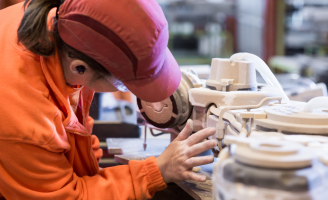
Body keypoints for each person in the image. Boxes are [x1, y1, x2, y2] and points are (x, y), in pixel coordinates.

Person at [0, 0, 217, 199]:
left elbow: (72, 124)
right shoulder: (25, 122)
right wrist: (157, 171)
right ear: (80, 68)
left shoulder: (62, 29)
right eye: (123, 84)